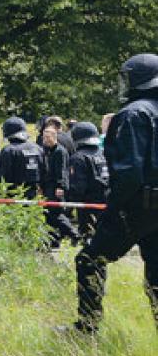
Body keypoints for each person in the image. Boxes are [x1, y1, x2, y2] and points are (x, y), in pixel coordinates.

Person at [62, 54, 158, 335]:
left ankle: (86, 327)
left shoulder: (133, 114)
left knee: (90, 259)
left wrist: (112, 210)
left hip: (137, 206)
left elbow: (127, 173)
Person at [67, 121, 109, 240]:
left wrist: (70, 203)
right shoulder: (102, 154)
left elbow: (78, 186)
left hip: (88, 202)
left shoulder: (78, 158)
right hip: (106, 198)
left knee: (88, 234)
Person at [41, 126, 79, 247]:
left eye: (48, 137)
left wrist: (60, 186)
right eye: (44, 137)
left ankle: (73, 233)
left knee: (55, 213)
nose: (45, 140)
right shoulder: (48, 150)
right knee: (49, 214)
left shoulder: (60, 151)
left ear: (54, 137)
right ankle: (54, 239)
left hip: (56, 187)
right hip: (49, 186)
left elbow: (62, 170)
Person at [0, 117, 44, 199]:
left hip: (14, 195)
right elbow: (44, 171)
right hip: (35, 194)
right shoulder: (38, 149)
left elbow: (2, 176)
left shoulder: (8, 150)